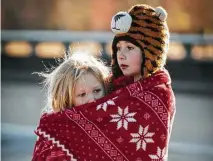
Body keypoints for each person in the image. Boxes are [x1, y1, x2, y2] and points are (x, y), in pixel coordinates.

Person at [32, 4, 176, 161]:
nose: (121, 55)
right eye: (118, 48)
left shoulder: (157, 93)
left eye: (129, 47)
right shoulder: (115, 87)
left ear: (150, 52)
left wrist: (58, 125)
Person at [32, 52, 110, 160]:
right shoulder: (55, 132)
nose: (92, 100)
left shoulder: (115, 120)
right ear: (67, 100)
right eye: (82, 94)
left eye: (97, 91)